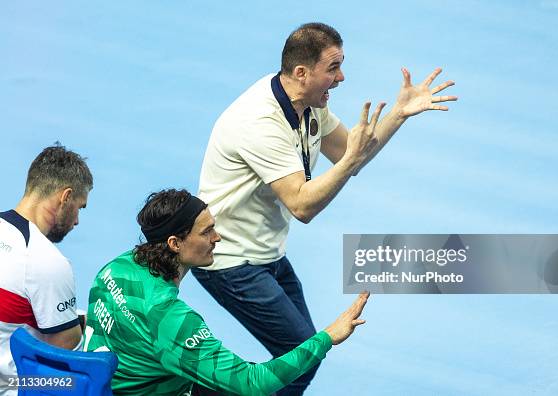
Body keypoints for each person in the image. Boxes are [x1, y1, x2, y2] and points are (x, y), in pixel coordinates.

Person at [193, 22, 457, 394]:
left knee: (301, 359)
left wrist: (399, 112)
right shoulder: (257, 123)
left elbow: (352, 152)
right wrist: (348, 163)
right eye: (333, 68)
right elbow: (302, 205)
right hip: (230, 260)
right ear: (302, 73)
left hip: (266, 253)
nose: (342, 77)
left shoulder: (308, 104)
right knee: (302, 358)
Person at [84, 189, 369, 395]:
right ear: (175, 243)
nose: (217, 237)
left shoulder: (115, 269)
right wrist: (327, 338)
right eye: (206, 232)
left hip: (111, 384)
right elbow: (253, 383)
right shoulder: (170, 318)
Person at [0, 144, 93, 395]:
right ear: (65, 197)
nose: (76, 221)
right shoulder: (47, 261)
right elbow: (63, 355)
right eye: (79, 207)